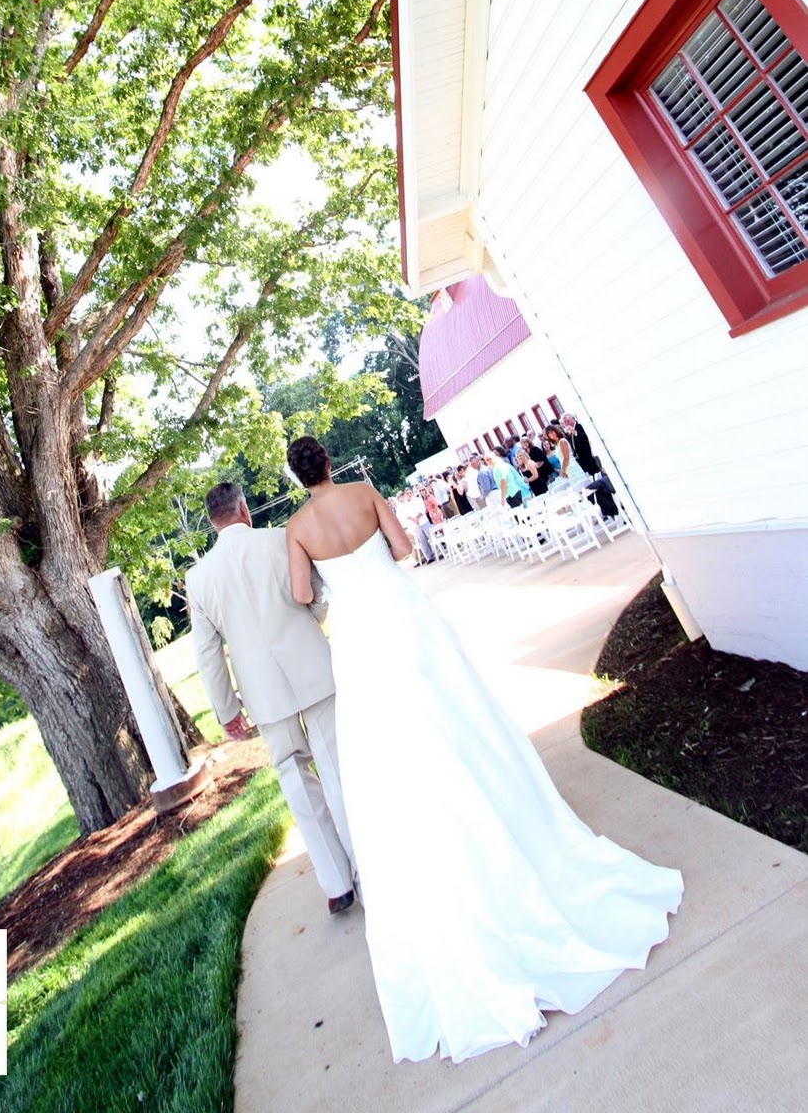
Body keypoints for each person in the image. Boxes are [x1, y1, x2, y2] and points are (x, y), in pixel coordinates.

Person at [283, 435, 683, 1066]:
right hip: (404, 615)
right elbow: (406, 548)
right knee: (458, 713)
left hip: (360, 637)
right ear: (329, 462)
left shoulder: (297, 528)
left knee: (396, 746)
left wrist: (331, 583)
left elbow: (304, 595)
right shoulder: (364, 494)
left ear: (297, 476)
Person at [186, 481, 356, 914]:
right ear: (243, 509)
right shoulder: (280, 537)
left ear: (212, 521)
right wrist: (311, 622)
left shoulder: (199, 577)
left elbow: (208, 655)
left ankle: (337, 884)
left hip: (262, 690)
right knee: (337, 765)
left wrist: (227, 712)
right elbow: (316, 594)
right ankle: (366, 860)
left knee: (295, 777)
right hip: (311, 665)